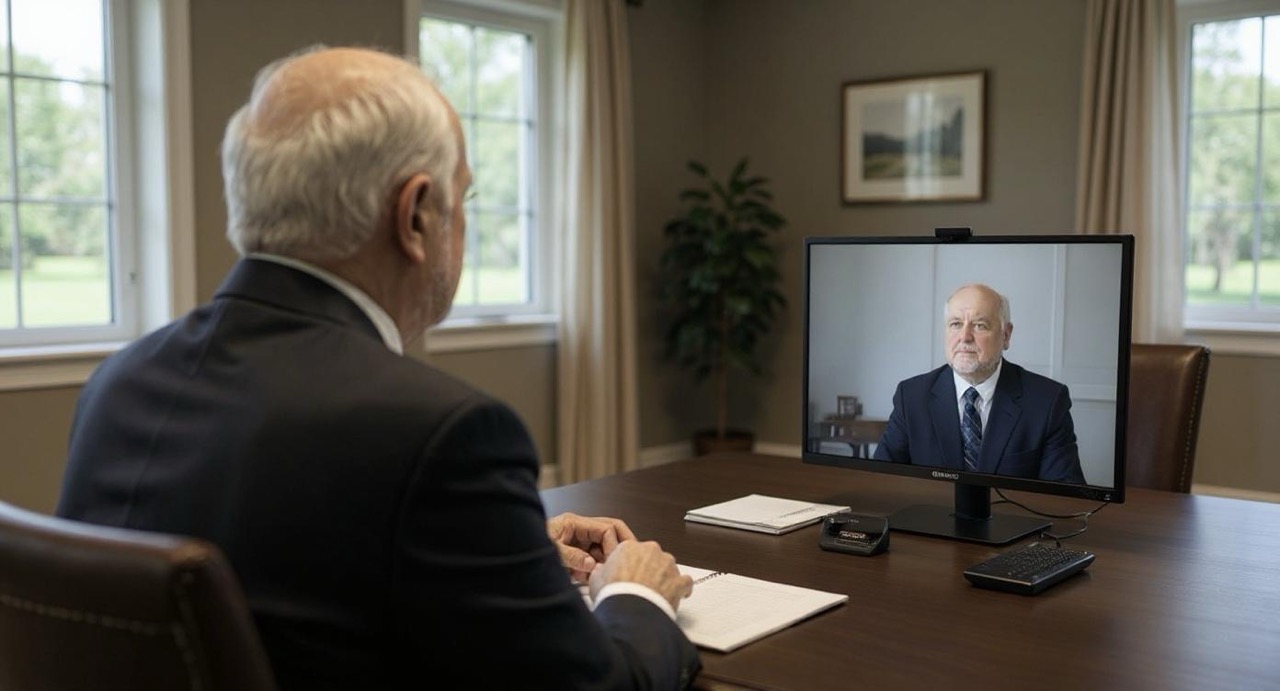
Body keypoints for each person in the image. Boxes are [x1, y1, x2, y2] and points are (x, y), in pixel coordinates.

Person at [56, 46, 700, 689]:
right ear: (416, 214)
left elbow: (281, 560)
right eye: (463, 200)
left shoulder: (117, 383)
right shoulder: (439, 431)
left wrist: (507, 547)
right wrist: (635, 595)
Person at [872, 283, 1086, 484]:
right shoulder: (911, 396)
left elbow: (1066, 499)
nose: (964, 337)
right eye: (955, 324)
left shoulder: (1047, 401)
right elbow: (881, 481)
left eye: (980, 325)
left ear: (1006, 335)